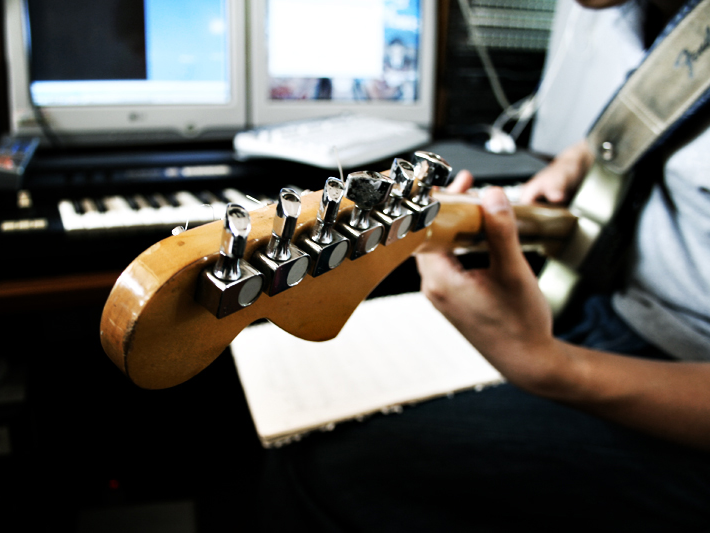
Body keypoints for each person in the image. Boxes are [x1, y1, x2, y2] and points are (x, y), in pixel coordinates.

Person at [258, 0, 710, 530]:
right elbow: (639, 121)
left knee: (321, 471)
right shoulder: (683, 19)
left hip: (679, 393)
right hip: (608, 310)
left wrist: (552, 367)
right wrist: (574, 163)